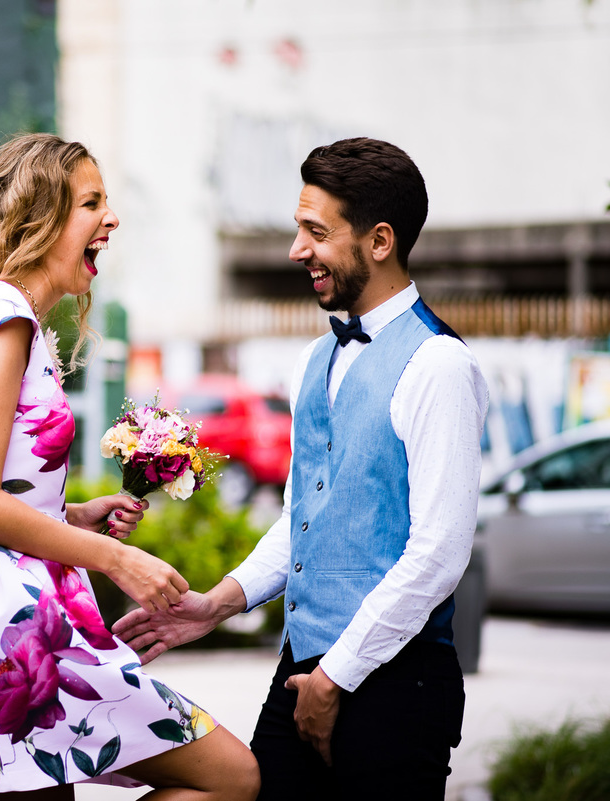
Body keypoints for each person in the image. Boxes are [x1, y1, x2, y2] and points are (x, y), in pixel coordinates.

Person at [114, 137, 489, 800]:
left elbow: (440, 551)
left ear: (380, 241)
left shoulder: (439, 366)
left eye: (316, 232)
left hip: (396, 685)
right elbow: (304, 520)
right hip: (303, 668)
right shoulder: (315, 360)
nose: (296, 250)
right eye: (298, 229)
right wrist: (215, 606)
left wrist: (336, 676)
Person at [0, 133, 260, 801]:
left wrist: (70, 515)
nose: (111, 218)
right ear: (39, 217)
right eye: (90, 203)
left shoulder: (6, 315)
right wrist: (113, 558)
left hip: (15, 612)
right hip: (8, 625)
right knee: (234, 775)